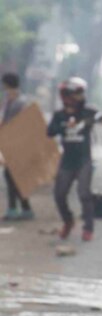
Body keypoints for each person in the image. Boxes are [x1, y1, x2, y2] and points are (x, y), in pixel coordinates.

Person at [47, 77, 102, 241]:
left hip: (84, 160)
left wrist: (100, 119)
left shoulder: (88, 111)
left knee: (84, 193)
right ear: (66, 95)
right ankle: (68, 221)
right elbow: (49, 132)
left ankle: (88, 227)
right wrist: (63, 126)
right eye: (76, 94)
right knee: (59, 195)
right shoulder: (59, 115)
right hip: (67, 161)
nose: (80, 97)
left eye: (81, 93)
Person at [1, 72, 34, 221]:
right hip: (10, 143)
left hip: (19, 144)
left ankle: (17, 209)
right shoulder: (8, 100)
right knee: (12, 176)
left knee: (13, 176)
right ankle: (22, 208)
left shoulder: (20, 101)